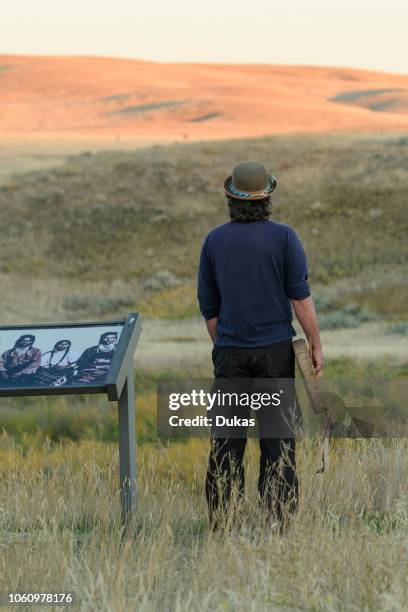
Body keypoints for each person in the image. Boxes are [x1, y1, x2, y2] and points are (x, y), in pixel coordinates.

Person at [197, 161, 323, 532]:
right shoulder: (285, 238)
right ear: (267, 197)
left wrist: (228, 347)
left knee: (226, 444)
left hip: (231, 355)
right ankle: (278, 525)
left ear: (231, 197)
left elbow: (209, 308)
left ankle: (224, 524)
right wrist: (315, 343)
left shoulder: (214, 240)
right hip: (275, 354)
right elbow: (300, 298)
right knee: (277, 442)